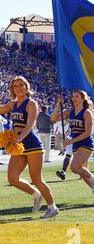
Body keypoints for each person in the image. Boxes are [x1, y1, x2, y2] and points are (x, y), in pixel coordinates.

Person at [0, 76, 59, 218]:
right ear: (12, 89)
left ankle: (52, 207)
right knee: (13, 179)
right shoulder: (12, 105)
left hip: (32, 145)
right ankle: (36, 194)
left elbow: (30, 125)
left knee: (36, 179)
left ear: (26, 87)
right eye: (15, 86)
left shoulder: (31, 103)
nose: (18, 88)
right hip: (18, 146)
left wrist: (18, 139)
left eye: (21, 85)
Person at [51, 91, 94, 204]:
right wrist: (58, 105)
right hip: (76, 144)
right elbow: (53, 119)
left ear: (83, 99)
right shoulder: (69, 112)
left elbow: (87, 133)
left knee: (74, 167)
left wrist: (71, 140)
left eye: (77, 97)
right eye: (73, 97)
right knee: (84, 174)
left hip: (86, 144)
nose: (74, 99)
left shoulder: (86, 113)